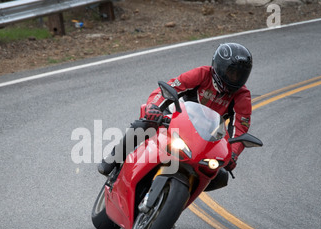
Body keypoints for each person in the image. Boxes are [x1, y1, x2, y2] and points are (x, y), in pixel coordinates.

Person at [98, 43, 253, 191]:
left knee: (221, 177)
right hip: (174, 117)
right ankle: (114, 159)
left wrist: (233, 154)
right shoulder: (202, 74)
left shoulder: (242, 96)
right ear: (219, 66)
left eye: (240, 75)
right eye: (231, 72)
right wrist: (154, 107)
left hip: (204, 138)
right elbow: (172, 86)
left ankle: (183, 193)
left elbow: (240, 128)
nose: (234, 78)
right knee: (143, 125)